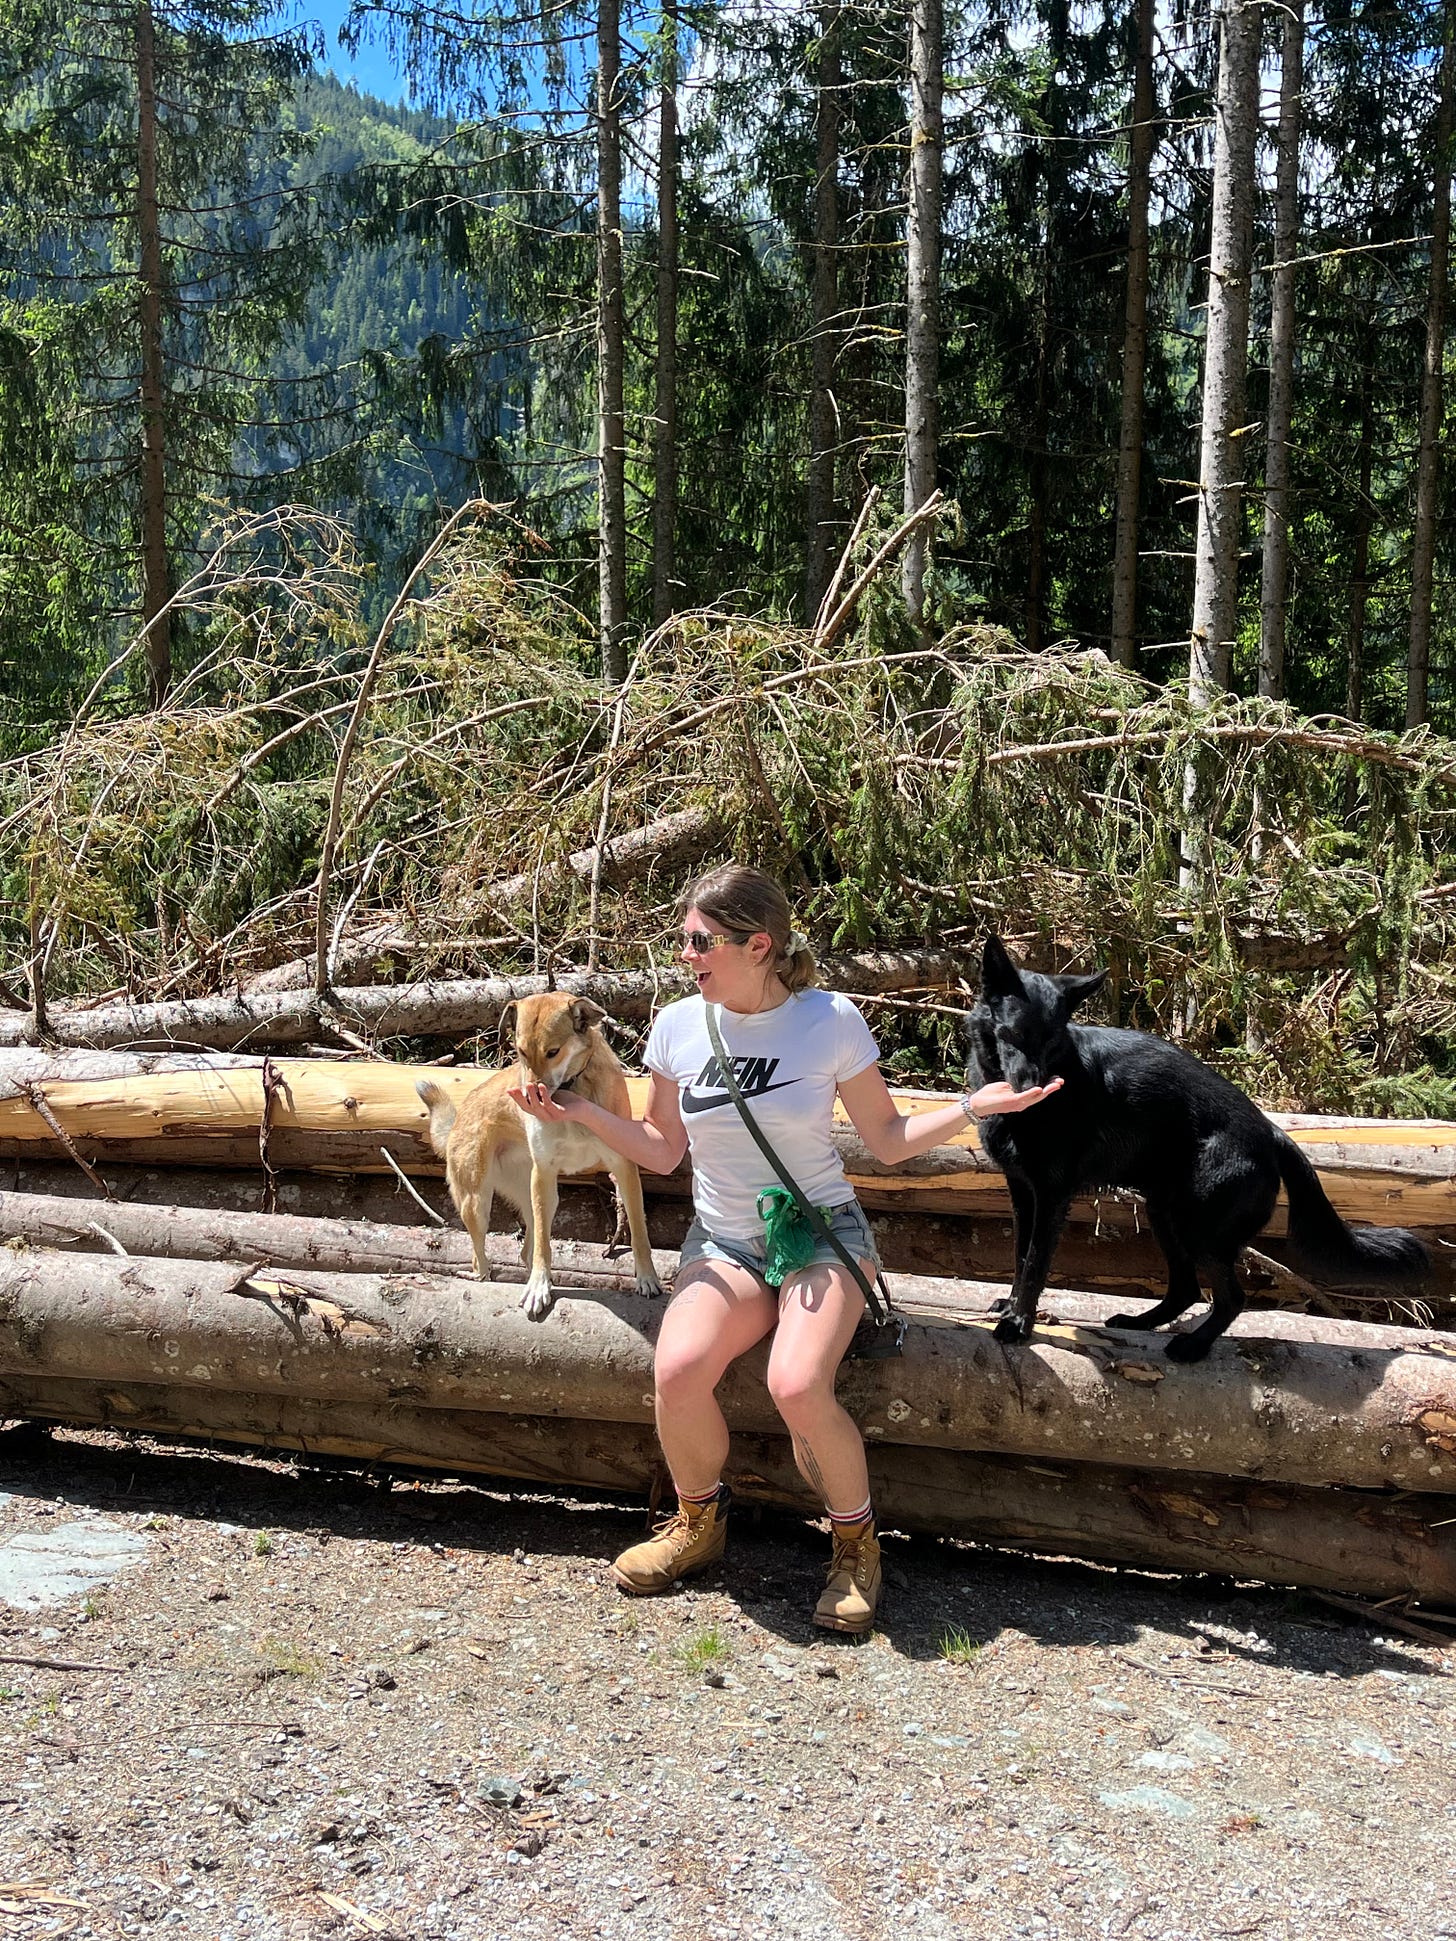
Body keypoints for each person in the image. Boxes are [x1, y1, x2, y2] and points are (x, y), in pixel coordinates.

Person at [509, 864, 1059, 1633]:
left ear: (757, 944)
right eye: (683, 940)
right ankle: (698, 1523)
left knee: (796, 1382)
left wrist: (972, 1105)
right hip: (726, 1240)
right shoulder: (677, 1025)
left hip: (820, 1234)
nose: (686, 954)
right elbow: (664, 1150)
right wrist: (573, 1107)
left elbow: (888, 1138)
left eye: (700, 940)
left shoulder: (828, 1020)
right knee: (675, 1367)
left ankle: (855, 1545)